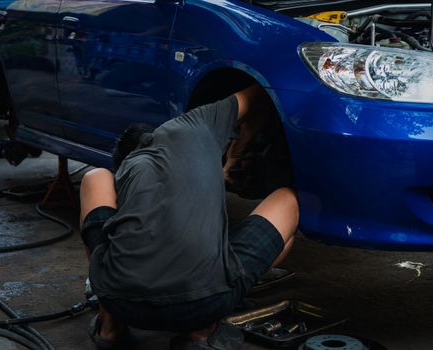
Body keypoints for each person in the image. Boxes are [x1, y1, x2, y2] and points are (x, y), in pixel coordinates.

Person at [79, 85, 299, 350]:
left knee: (95, 177)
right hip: (205, 305)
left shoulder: (129, 167)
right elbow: (261, 93)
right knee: (288, 199)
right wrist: (236, 153)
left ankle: (110, 329)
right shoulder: (199, 121)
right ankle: (200, 334)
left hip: (120, 300)